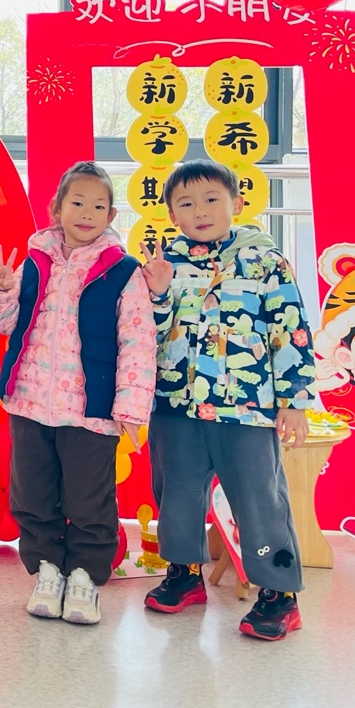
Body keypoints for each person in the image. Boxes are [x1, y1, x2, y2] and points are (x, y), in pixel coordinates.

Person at [141, 159, 315, 642]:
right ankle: (183, 575)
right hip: (176, 403)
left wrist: (294, 399)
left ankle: (279, 594)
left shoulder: (265, 261)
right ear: (172, 214)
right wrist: (158, 295)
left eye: (211, 199)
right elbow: (147, 334)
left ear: (236, 203)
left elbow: (290, 329)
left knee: (259, 498)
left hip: (246, 406)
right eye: (186, 203)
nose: (200, 211)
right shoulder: (164, 264)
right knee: (176, 494)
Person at [0, 160, 156, 625]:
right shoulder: (35, 263)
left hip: (90, 412)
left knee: (88, 500)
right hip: (30, 403)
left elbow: (138, 342)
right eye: (77, 202)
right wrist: (1, 292)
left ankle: (83, 577)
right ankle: (46, 571)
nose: (86, 213)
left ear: (111, 215)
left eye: (98, 206)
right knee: (33, 496)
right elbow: (5, 324)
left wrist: (130, 407)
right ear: (56, 208)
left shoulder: (122, 271)